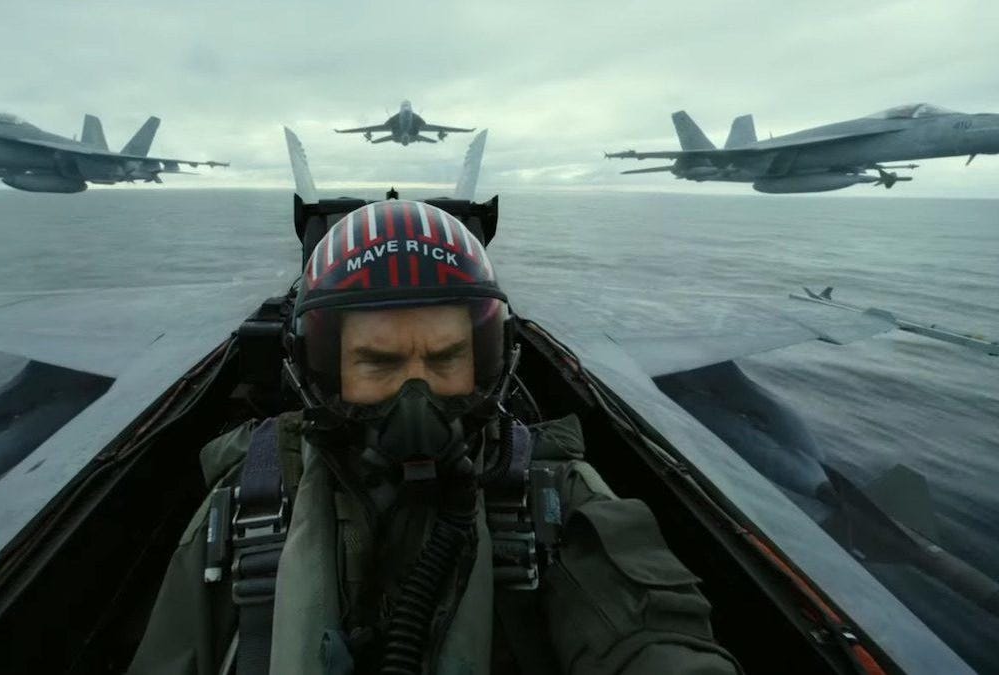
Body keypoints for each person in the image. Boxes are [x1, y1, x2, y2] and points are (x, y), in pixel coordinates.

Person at [129, 200, 740, 675]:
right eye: (379, 364)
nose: (417, 402)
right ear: (320, 374)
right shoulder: (245, 512)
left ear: (487, 359)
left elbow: (654, 637)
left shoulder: (552, 499)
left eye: (447, 357)